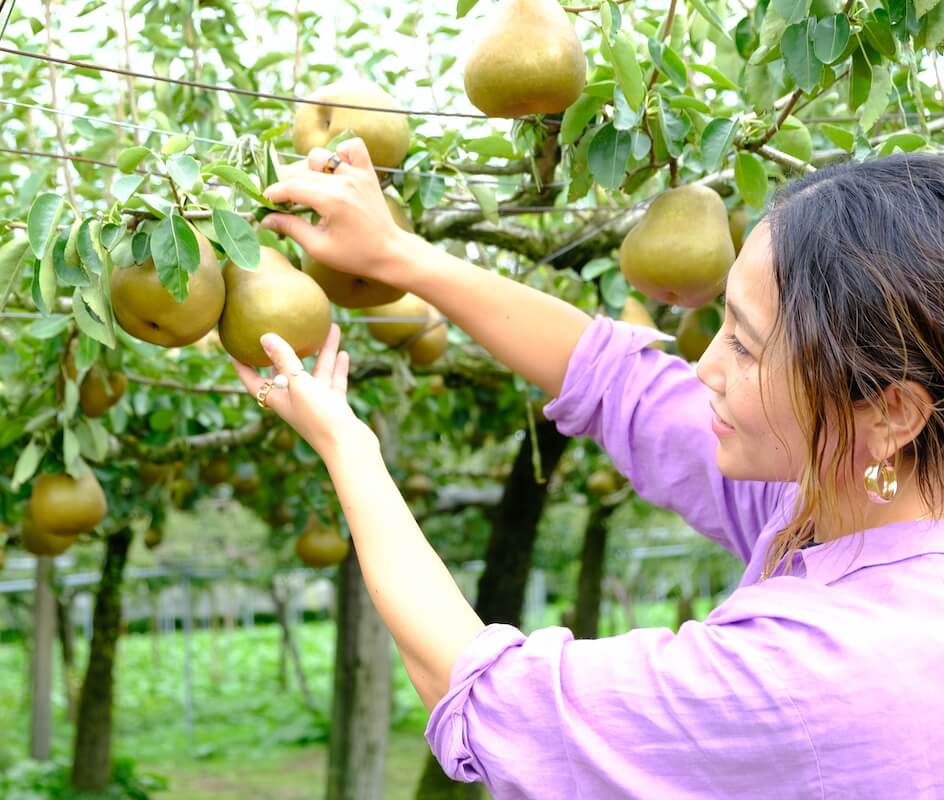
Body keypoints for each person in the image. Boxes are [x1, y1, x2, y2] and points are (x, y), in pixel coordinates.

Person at [230, 141, 944, 798]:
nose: (705, 365)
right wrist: (397, 254)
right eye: (721, 323)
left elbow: (492, 699)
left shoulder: (820, 674)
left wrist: (347, 448)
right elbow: (618, 383)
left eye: (748, 347)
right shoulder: (847, 500)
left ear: (891, 414)